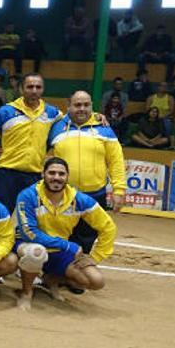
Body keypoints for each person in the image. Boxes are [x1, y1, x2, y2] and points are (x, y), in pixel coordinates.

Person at [13, 157, 117, 310]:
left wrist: (95, 257)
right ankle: (26, 293)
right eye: (52, 173)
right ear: (43, 174)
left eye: (61, 174)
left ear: (68, 177)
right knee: (36, 253)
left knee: (96, 281)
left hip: (59, 251)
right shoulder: (28, 195)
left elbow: (108, 227)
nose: (56, 177)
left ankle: (50, 279)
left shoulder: (80, 199)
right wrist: (67, 245)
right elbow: (29, 233)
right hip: (26, 244)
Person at [49, 91, 126, 258]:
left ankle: (76, 273)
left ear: (92, 106)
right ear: (68, 106)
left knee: (86, 238)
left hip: (94, 195)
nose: (82, 109)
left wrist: (119, 190)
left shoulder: (104, 129)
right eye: (77, 105)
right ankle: (55, 271)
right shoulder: (56, 127)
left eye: (86, 105)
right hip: (62, 196)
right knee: (59, 235)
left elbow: (116, 161)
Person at [0, 74, 61, 212]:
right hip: (7, 174)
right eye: (30, 87)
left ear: (43, 89)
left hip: (34, 175)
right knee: (2, 217)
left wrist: (97, 117)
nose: (34, 90)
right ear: (21, 89)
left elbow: (70, 120)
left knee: (30, 217)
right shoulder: (7, 111)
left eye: (38, 87)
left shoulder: (52, 112)